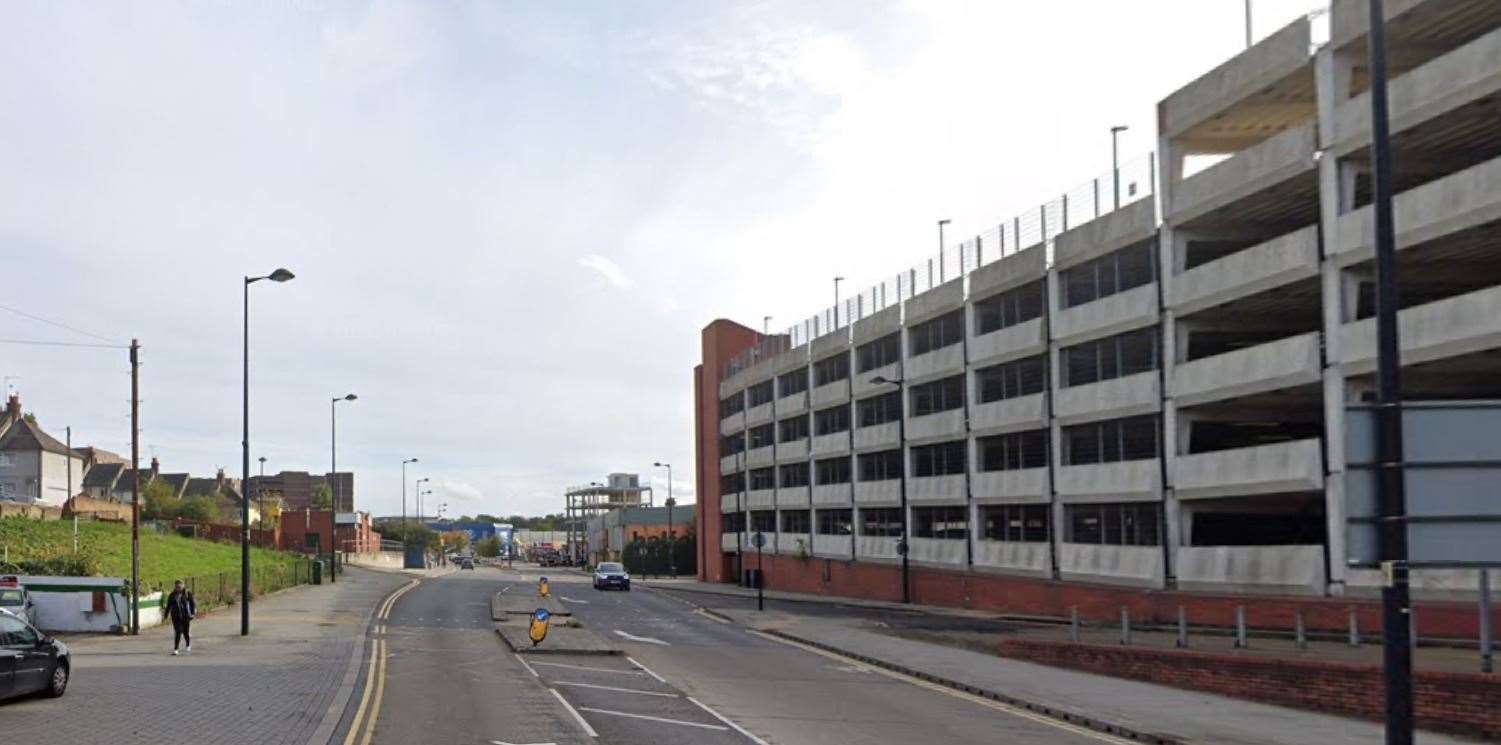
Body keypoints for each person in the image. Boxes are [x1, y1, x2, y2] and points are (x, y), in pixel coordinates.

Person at [164, 579, 196, 656]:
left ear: (183, 586)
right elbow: (169, 605)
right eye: (176, 586)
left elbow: (192, 604)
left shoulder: (187, 593)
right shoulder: (172, 595)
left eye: (179, 586)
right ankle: (176, 649)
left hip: (186, 616)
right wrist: (166, 615)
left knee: (186, 632)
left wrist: (193, 613)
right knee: (178, 632)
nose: (178, 588)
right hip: (176, 617)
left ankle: (188, 644)